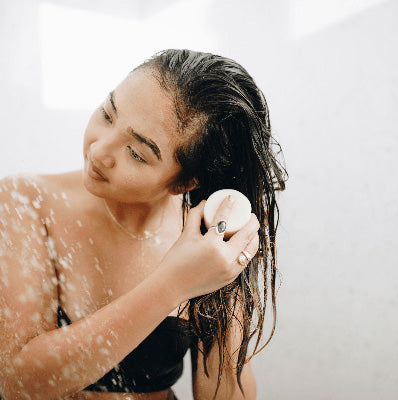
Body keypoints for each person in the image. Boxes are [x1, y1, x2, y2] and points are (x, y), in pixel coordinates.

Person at [0, 49, 287, 400]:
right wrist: (174, 283)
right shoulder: (25, 202)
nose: (100, 150)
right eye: (108, 114)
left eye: (137, 153)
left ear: (185, 182)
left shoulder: (205, 236)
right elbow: (15, 385)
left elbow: (223, 387)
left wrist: (232, 275)